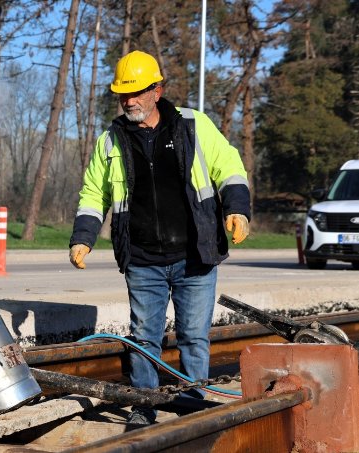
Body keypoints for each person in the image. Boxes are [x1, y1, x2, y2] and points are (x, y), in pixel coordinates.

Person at [68, 50, 251, 425]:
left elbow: (229, 167)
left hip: (195, 255)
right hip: (142, 258)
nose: (129, 101)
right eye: (123, 94)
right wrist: (82, 237)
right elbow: (92, 194)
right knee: (144, 339)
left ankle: (194, 404)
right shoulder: (111, 140)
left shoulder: (192, 125)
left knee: (194, 337)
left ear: (157, 89)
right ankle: (144, 405)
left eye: (136, 92)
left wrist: (237, 208)